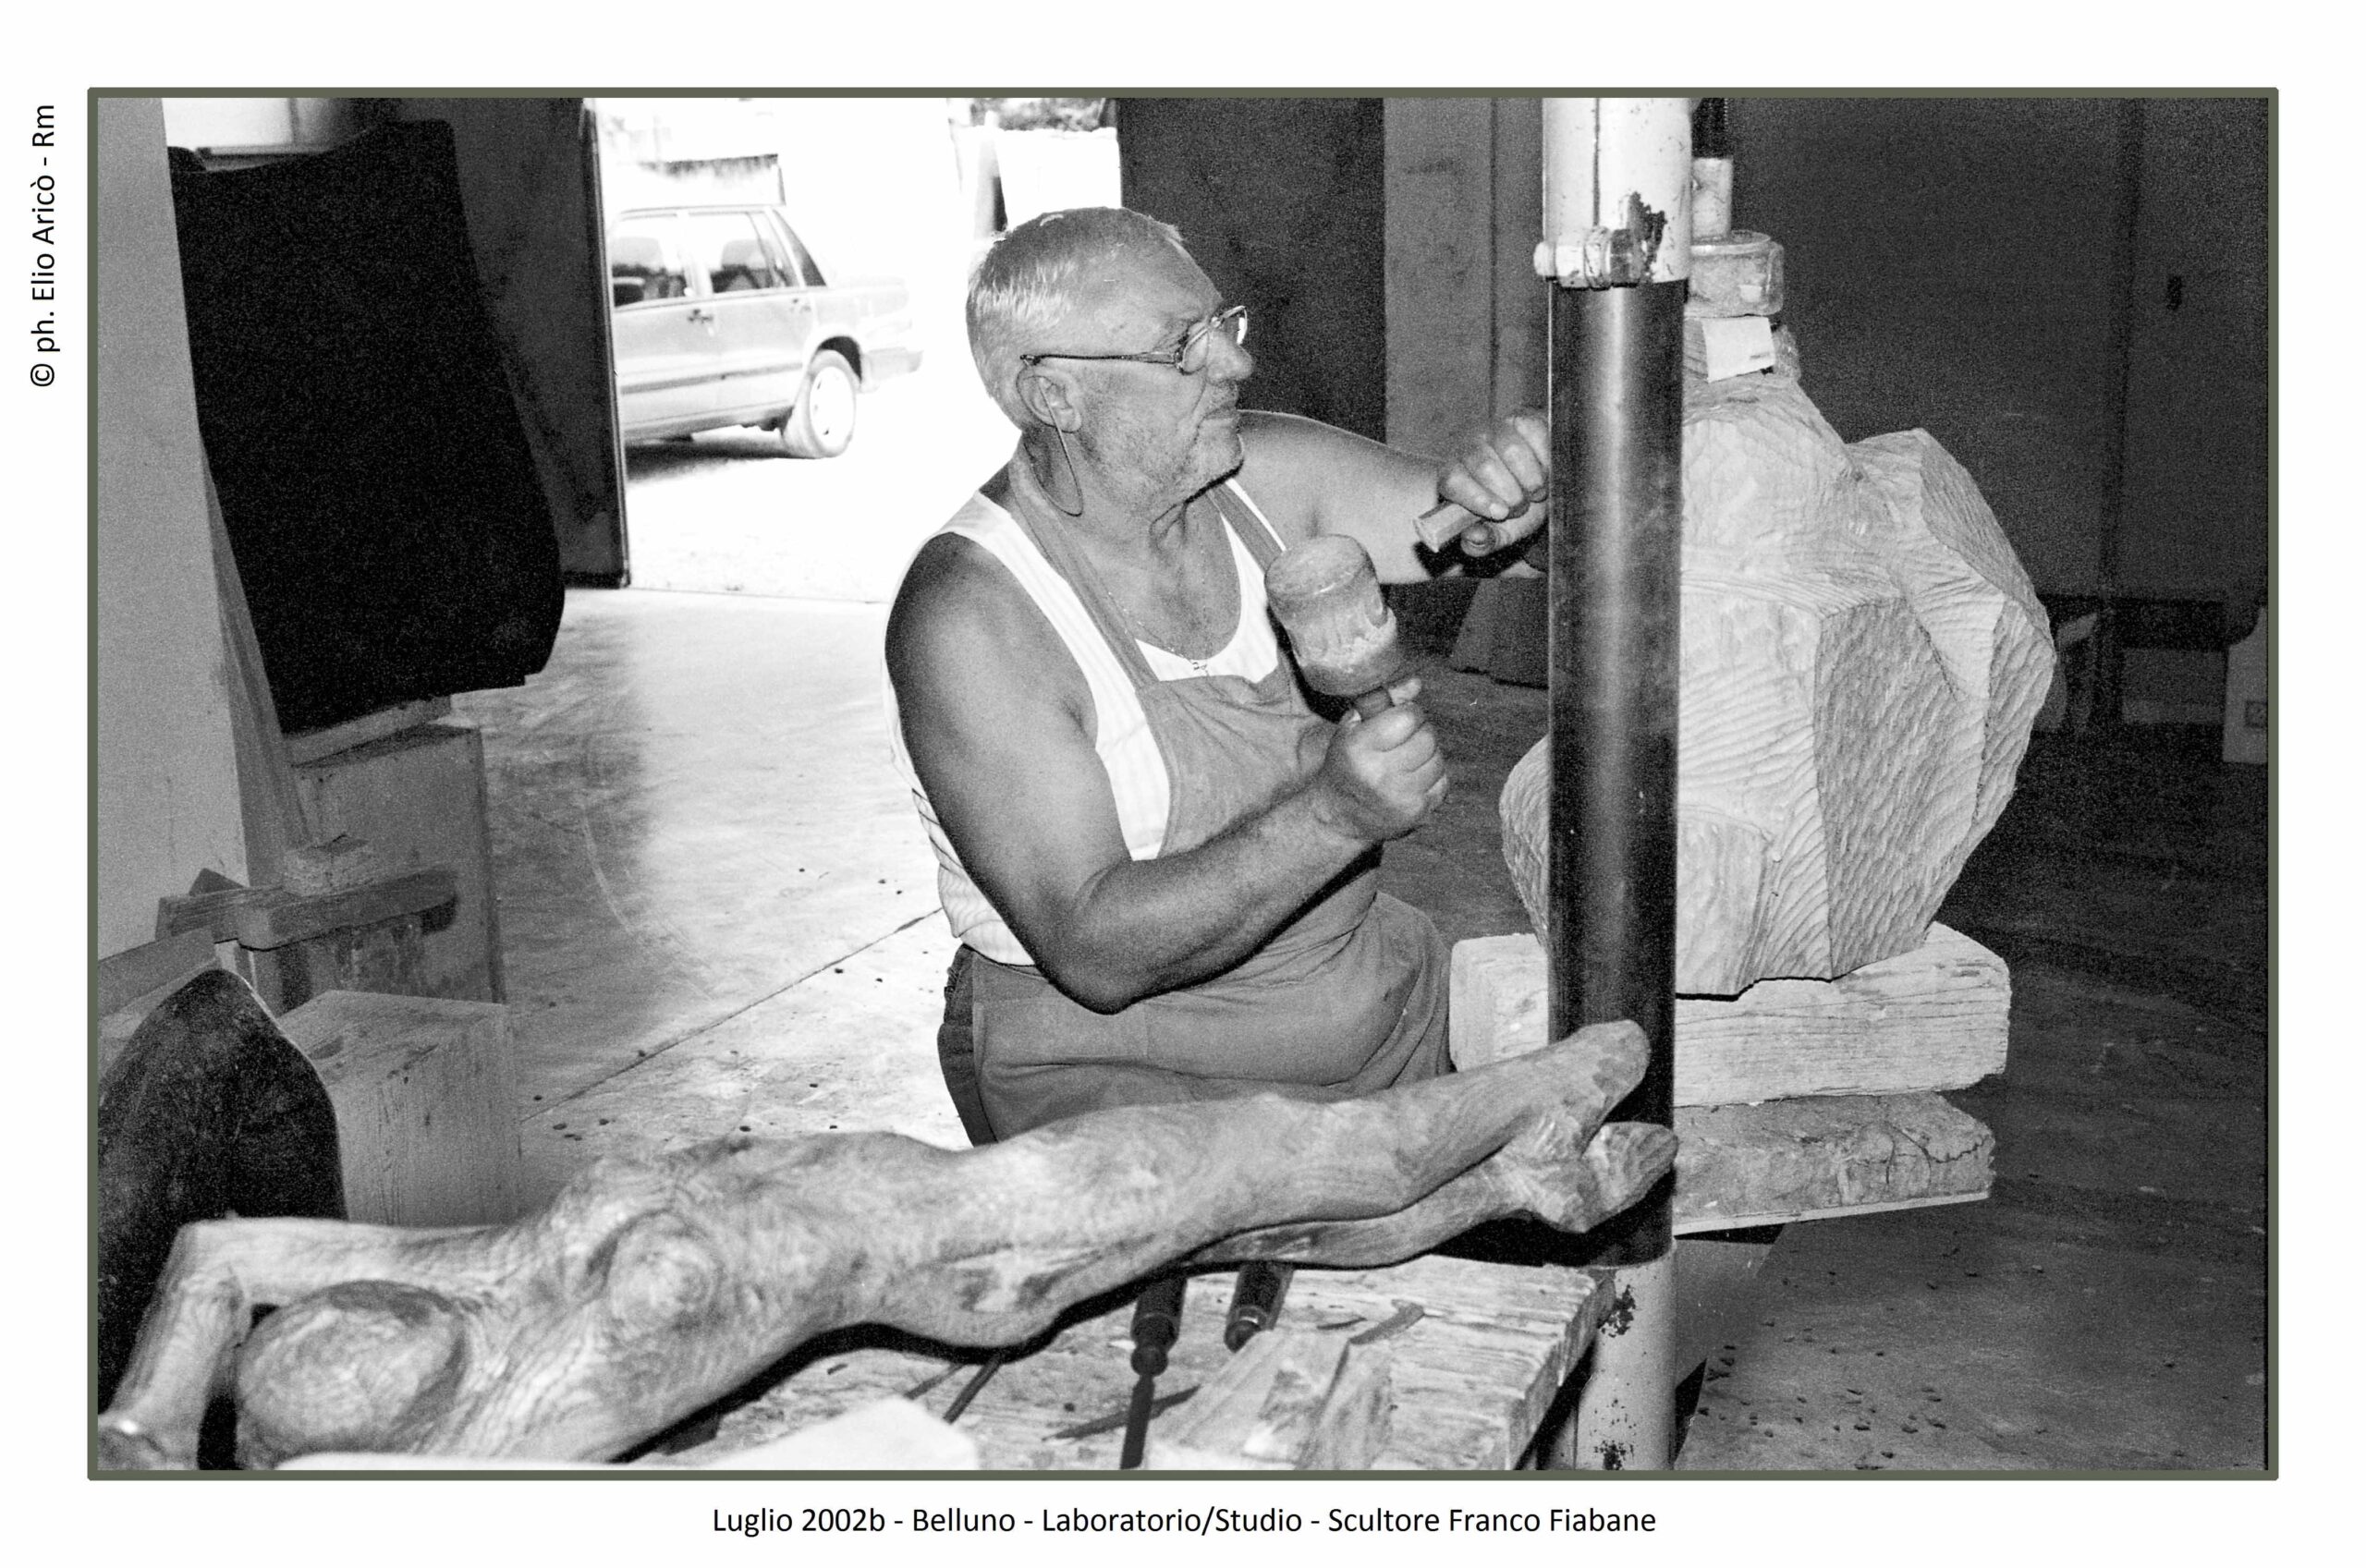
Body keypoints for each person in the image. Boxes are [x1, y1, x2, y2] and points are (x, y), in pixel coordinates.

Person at [886, 207, 1553, 1143]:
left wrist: (1521, 500)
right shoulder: (972, 614)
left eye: (1223, 325)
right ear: (1054, 394)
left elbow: (1503, 542)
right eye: (1182, 348)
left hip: (1367, 1011)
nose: (1236, 363)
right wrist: (1333, 815)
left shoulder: (1264, 476)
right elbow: (1093, 949)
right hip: (1124, 1083)